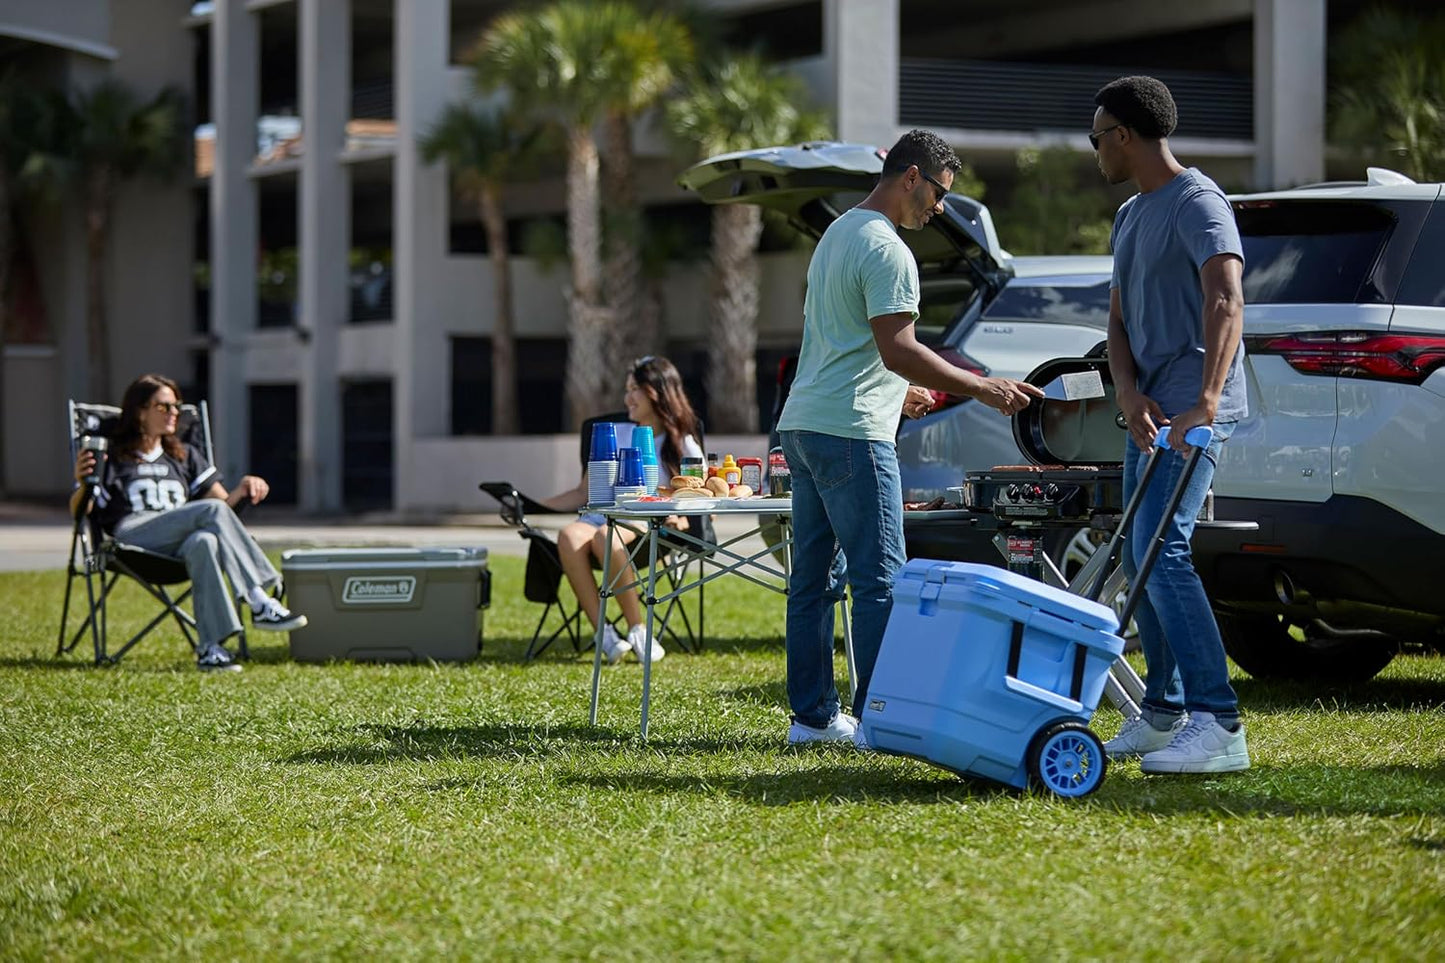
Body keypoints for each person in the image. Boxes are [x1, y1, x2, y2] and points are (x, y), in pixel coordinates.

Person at [776, 129, 1043, 747]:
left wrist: (899, 391)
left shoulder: (838, 234)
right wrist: (981, 387)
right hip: (851, 435)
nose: (940, 208)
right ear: (911, 177)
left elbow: (846, 345)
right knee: (881, 580)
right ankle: (882, 719)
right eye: (939, 193)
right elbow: (900, 350)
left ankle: (813, 719)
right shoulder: (889, 250)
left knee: (812, 581)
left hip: (806, 425)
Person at [1090, 76, 1250, 773]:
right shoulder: (1129, 214)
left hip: (1192, 412)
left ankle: (1220, 722)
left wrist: (1207, 402)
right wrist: (1126, 393)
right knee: (1137, 560)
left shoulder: (1198, 201)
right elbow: (1118, 318)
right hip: (1149, 413)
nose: (1094, 150)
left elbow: (1225, 295)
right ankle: (1162, 712)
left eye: (1097, 137)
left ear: (1123, 135)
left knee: (1164, 554)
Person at [70, 373, 307, 672]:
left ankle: (211, 649)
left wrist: (244, 488)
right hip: (131, 540)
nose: (174, 414)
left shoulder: (183, 455)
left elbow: (225, 510)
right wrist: (83, 484)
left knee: (204, 541)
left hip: (180, 543)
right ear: (140, 411)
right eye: (164, 407)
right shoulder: (114, 456)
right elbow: (81, 511)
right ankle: (258, 598)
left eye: (177, 407)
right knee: (207, 512)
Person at [542, 355, 704, 665]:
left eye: (634, 389)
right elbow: (583, 492)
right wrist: (531, 504)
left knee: (606, 537)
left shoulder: (682, 444)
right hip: (604, 515)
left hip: (648, 521)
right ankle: (604, 635)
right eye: (626, 389)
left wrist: (681, 516)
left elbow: (699, 497)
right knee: (569, 536)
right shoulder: (614, 433)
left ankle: (638, 629)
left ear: (656, 391)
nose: (626, 398)